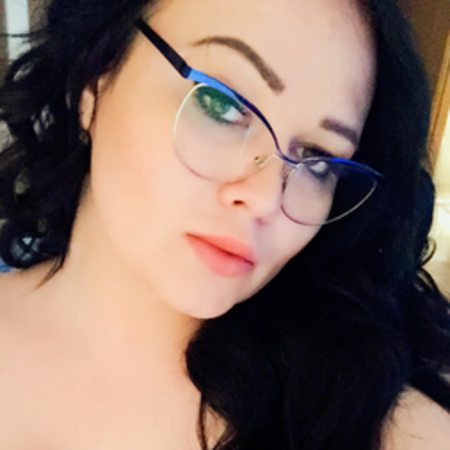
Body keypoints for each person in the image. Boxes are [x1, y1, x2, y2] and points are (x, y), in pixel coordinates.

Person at [0, 0, 449, 448]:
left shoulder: (363, 415)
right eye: (220, 105)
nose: (265, 199)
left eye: (317, 159)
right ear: (96, 79)